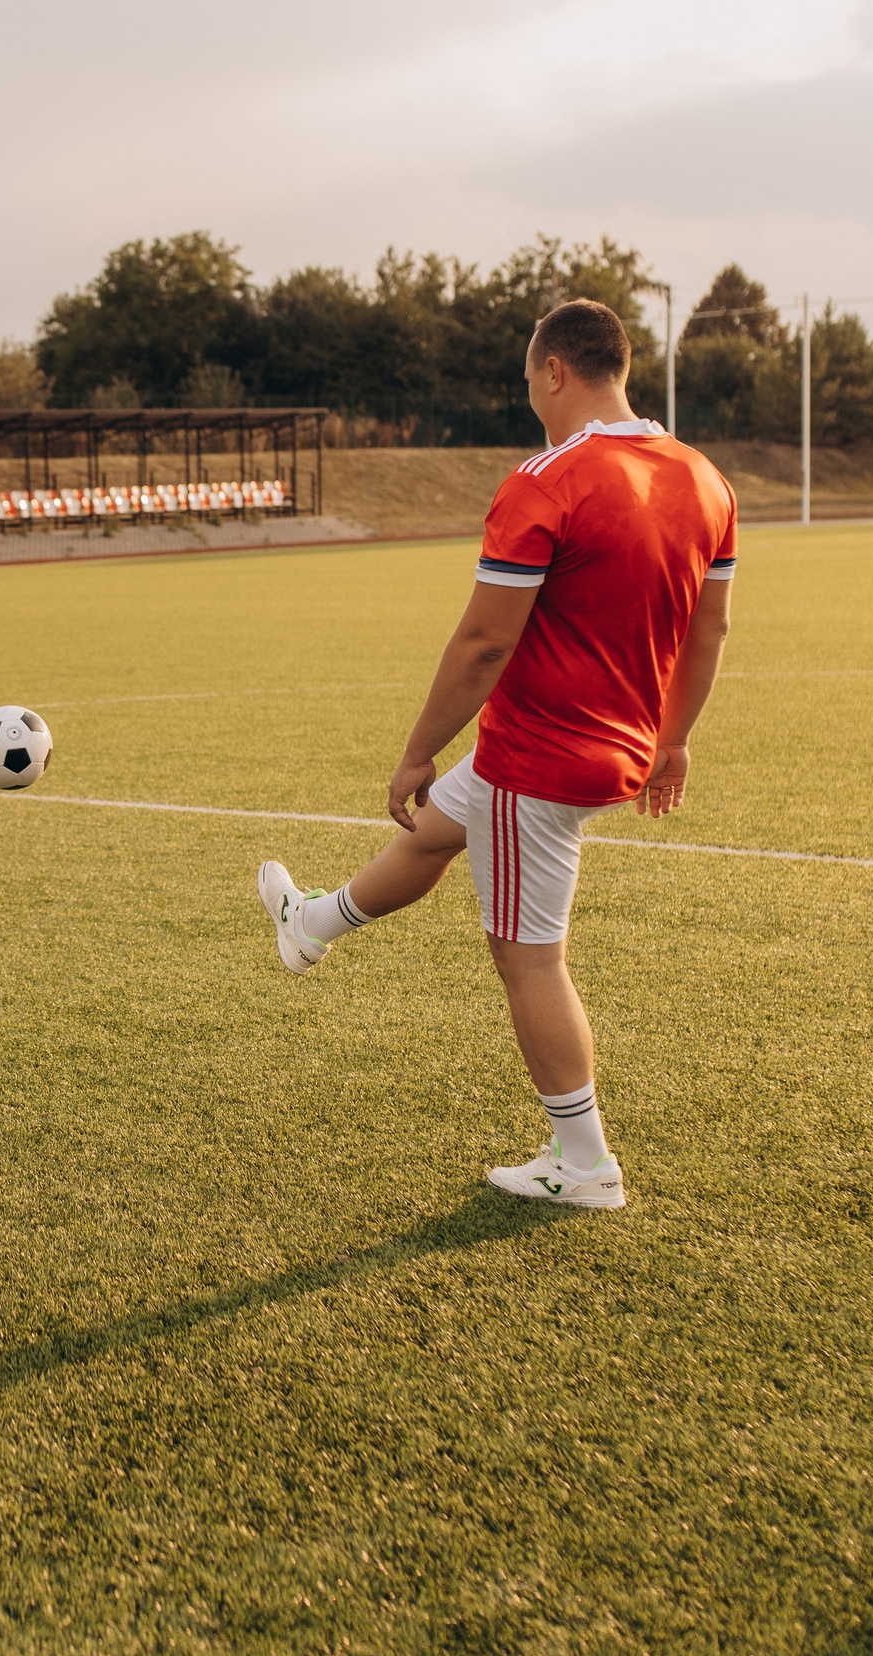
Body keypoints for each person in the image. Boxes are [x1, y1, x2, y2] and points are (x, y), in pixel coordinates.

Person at [256, 298, 736, 1209]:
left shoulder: (548, 479)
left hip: (540, 759)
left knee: (529, 958)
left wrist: (414, 751)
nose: (531, 396)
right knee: (438, 834)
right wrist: (674, 740)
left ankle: (584, 1163)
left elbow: (483, 643)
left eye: (529, 380)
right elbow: (711, 628)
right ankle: (311, 926)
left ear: (554, 370)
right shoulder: (703, 477)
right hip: (620, 746)